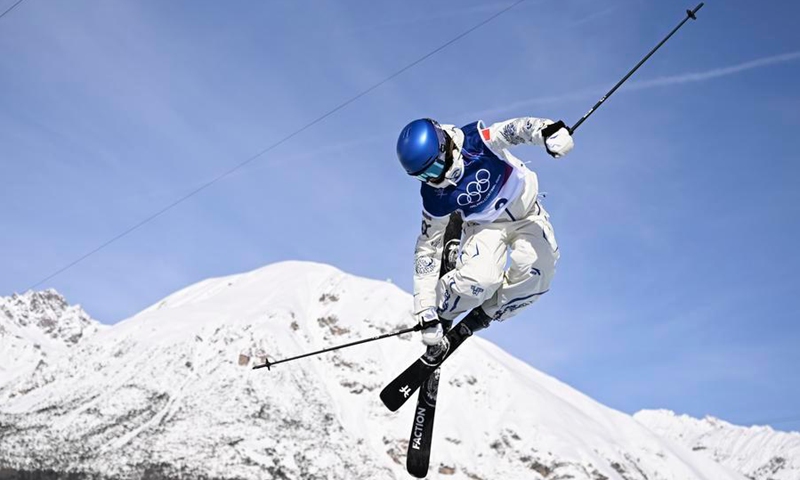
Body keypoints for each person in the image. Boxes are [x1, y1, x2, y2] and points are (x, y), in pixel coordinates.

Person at [396, 117, 574, 346]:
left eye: (434, 169)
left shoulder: (476, 141)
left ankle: (488, 311)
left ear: (444, 146)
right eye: (423, 176)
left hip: (527, 212)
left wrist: (548, 131)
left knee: (538, 270)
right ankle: (445, 309)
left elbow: (515, 130)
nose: (433, 179)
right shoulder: (433, 195)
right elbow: (427, 247)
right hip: (485, 226)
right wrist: (425, 307)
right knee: (480, 280)